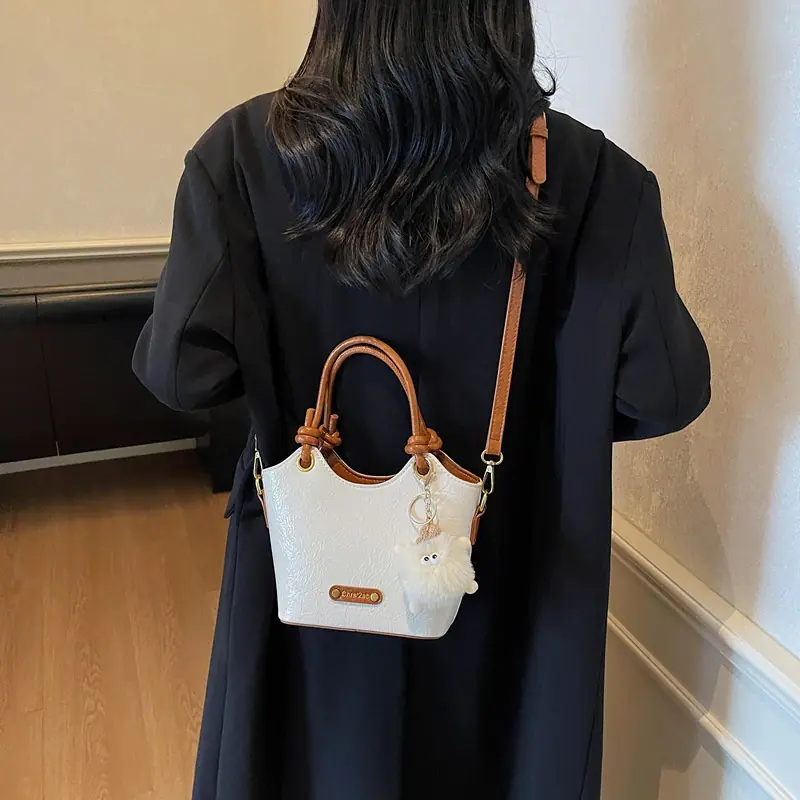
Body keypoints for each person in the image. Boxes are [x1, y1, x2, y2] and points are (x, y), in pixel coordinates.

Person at [133, 1, 711, 798]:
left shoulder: (243, 156)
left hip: (311, 593)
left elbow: (181, 372)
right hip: (510, 598)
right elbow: (664, 392)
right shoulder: (599, 181)